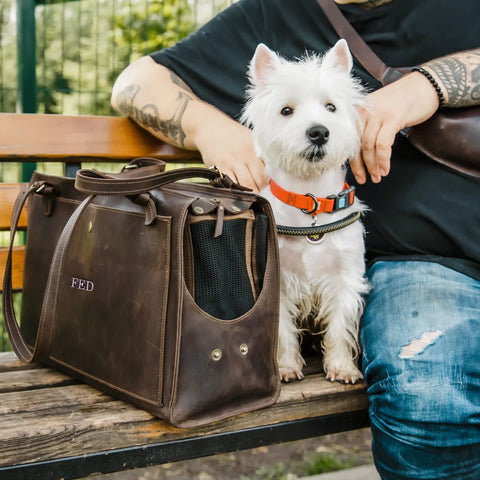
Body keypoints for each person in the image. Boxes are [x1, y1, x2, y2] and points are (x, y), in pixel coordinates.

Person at [111, 1, 480, 478]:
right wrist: (208, 126)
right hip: (429, 264)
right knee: (429, 399)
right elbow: (132, 83)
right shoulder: (270, 12)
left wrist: (426, 86)